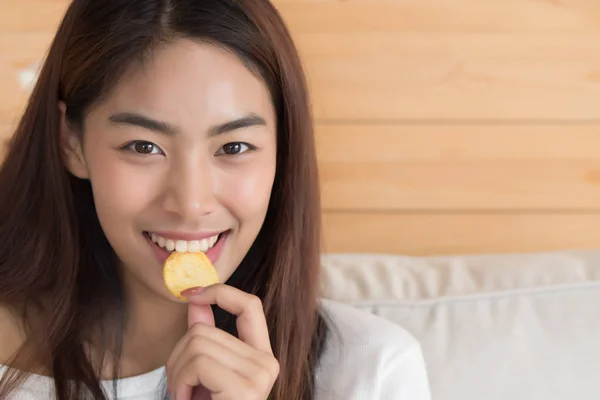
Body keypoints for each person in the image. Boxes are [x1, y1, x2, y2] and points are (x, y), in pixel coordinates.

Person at [0, 0, 431, 399]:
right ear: (71, 142)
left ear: (283, 148)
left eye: (233, 148)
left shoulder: (371, 370)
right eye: (143, 146)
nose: (190, 203)